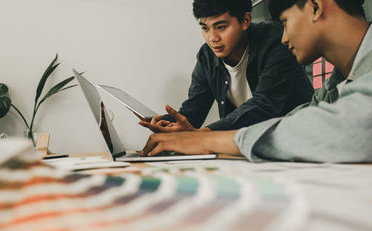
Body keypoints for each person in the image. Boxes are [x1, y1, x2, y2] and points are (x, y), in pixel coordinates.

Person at [141, 0, 372, 163]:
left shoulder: (272, 42)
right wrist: (173, 127)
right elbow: (300, 120)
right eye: (205, 28)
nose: (284, 37)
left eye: (284, 22)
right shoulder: (336, 86)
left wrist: (205, 140)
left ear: (315, 6)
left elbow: (343, 130)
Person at [139, 0, 314, 133]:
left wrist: (205, 135)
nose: (212, 38)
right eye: (205, 28)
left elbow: (265, 103)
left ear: (245, 20)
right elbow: (194, 111)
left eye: (221, 27)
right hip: (245, 148)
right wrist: (166, 123)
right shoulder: (206, 55)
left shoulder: (277, 41)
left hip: (296, 137)